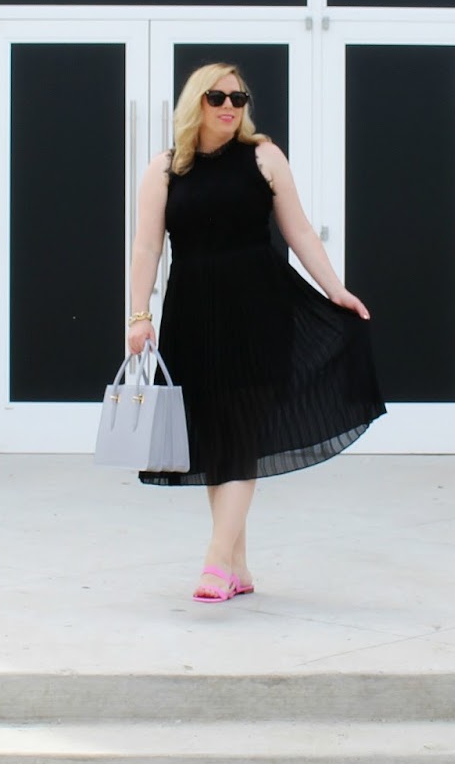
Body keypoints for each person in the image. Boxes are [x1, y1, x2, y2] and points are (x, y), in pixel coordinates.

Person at [126, 61, 385, 603]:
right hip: (193, 313)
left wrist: (336, 289)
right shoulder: (165, 169)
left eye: (238, 99)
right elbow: (147, 247)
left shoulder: (264, 157)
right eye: (218, 97)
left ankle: (215, 562)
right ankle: (238, 565)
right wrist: (138, 315)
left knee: (241, 434)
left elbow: (300, 231)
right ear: (196, 102)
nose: (229, 107)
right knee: (217, 438)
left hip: (259, 309)